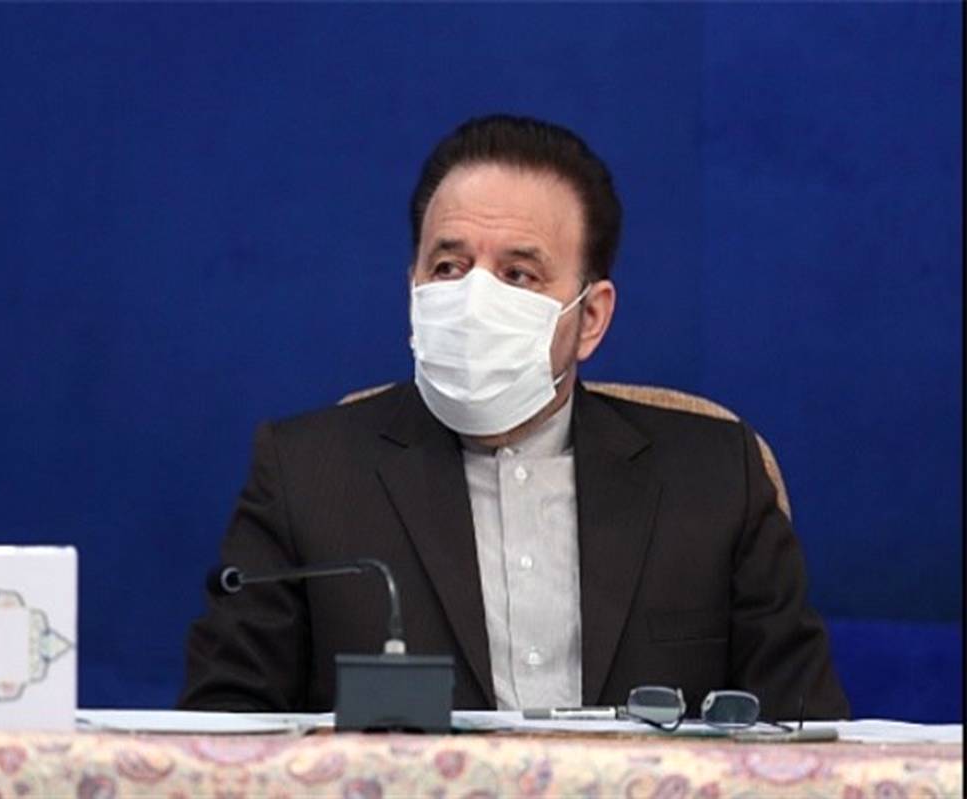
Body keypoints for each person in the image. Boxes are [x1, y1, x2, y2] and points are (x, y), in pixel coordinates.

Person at [178, 114, 849, 720]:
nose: (474, 297)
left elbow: (809, 738)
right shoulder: (305, 474)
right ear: (413, 288)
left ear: (591, 317)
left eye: (519, 275)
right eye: (449, 266)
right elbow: (220, 727)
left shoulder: (714, 477)